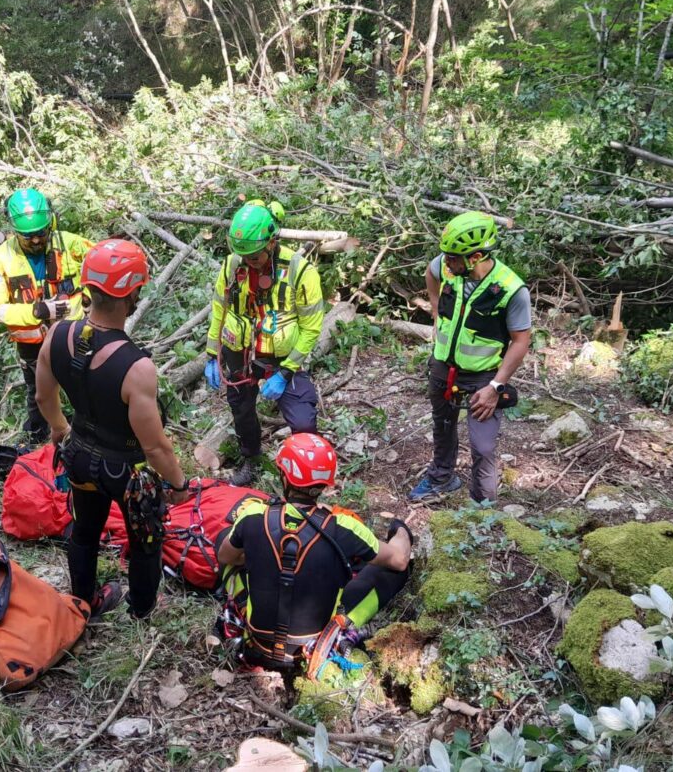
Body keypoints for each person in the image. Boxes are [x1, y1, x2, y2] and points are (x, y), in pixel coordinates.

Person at [35, 238, 192, 620]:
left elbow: (43, 396)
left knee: (85, 530)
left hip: (80, 456)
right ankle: (142, 610)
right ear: (132, 294)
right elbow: (155, 447)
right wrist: (178, 484)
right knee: (145, 540)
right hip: (127, 473)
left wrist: (60, 428)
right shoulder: (136, 368)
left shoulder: (57, 335)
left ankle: (82, 600)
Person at [217, 433, 412, 670]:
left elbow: (225, 557)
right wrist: (401, 531)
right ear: (324, 483)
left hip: (256, 642)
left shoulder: (254, 516)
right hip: (311, 647)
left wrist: (263, 555)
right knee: (396, 570)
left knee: (225, 542)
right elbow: (399, 560)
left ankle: (239, 606)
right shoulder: (343, 527)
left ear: (284, 475)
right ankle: (344, 627)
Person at [409, 211, 532, 503]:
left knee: (483, 445)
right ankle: (442, 477)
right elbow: (431, 270)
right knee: (443, 424)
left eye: (453, 257)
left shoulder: (510, 289)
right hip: (443, 366)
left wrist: (495, 387)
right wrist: (437, 311)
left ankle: (482, 504)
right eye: (446, 256)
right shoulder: (447, 267)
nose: (446, 262)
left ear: (476, 256)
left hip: (483, 375)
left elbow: (520, 341)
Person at [204, 200, 325, 487]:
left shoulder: (300, 271)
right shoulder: (234, 265)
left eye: (255, 256)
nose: (249, 261)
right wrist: (212, 353)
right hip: (240, 353)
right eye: (243, 255)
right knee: (241, 410)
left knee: (304, 421)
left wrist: (286, 372)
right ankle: (251, 459)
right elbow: (219, 308)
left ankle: (304, 473)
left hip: (281, 359)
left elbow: (311, 328)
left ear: (272, 242)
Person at [0, 188, 92, 446]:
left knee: (85, 384)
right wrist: (34, 312)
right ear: (14, 231)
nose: (35, 241)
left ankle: (88, 432)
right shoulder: (1, 259)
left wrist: (88, 295)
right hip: (32, 343)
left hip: (74, 334)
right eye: (28, 236)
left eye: (41, 234)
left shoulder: (70, 244)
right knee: (39, 394)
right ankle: (38, 439)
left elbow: (101, 263)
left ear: (50, 223)